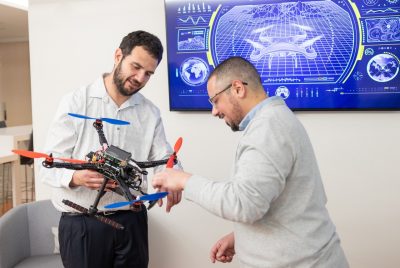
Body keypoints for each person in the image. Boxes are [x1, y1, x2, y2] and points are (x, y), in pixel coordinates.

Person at [152, 57, 349, 267]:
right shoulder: (274, 120)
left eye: (215, 100)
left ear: (237, 88)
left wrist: (184, 181)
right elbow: (273, 199)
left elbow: (243, 204)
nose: (214, 111)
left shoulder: (268, 128)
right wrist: (241, 238)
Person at [40, 30, 181, 268]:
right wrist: (76, 177)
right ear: (118, 55)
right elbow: (47, 166)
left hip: (131, 222)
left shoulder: (150, 113)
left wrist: (174, 178)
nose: (139, 78)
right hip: (82, 223)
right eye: (135, 67)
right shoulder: (75, 102)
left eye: (148, 74)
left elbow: (164, 159)